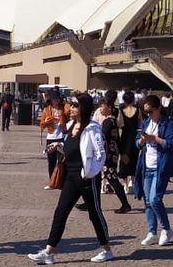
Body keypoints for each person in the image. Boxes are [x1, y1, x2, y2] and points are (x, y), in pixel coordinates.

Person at [28, 93, 114, 264]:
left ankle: (107, 250)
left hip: (87, 178)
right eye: (71, 104)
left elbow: (100, 155)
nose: (71, 108)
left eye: (75, 105)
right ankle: (49, 252)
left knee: (94, 213)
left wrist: (89, 173)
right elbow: (74, 149)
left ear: (83, 108)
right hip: (71, 176)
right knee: (60, 212)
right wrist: (59, 146)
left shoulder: (93, 128)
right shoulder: (71, 125)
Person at [134, 95, 173, 246]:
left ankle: (166, 229)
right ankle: (152, 231)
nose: (148, 114)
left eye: (151, 111)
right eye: (146, 111)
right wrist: (142, 140)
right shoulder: (146, 122)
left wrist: (155, 139)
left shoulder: (168, 124)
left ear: (159, 108)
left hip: (161, 167)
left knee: (155, 199)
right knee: (147, 201)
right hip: (146, 166)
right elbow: (137, 144)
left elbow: (170, 144)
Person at [97, 94, 131, 214]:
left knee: (112, 179)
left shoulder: (107, 122)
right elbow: (118, 139)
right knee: (97, 178)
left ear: (110, 108)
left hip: (107, 155)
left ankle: (125, 204)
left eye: (103, 107)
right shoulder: (113, 121)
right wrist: (122, 152)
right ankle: (91, 202)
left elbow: (102, 138)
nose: (101, 109)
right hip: (113, 154)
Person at [40, 90, 69, 190]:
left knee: (62, 160)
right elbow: (41, 125)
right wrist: (45, 122)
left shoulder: (64, 108)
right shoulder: (46, 110)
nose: (55, 101)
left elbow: (69, 113)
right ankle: (52, 182)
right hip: (51, 137)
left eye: (57, 99)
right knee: (51, 161)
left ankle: (61, 182)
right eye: (53, 99)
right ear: (51, 100)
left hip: (61, 137)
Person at [118, 91, 142, 194]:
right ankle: (132, 180)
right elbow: (140, 124)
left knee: (124, 159)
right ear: (133, 99)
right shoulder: (138, 110)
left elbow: (119, 124)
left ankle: (125, 184)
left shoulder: (121, 111)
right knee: (134, 158)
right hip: (134, 136)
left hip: (125, 136)